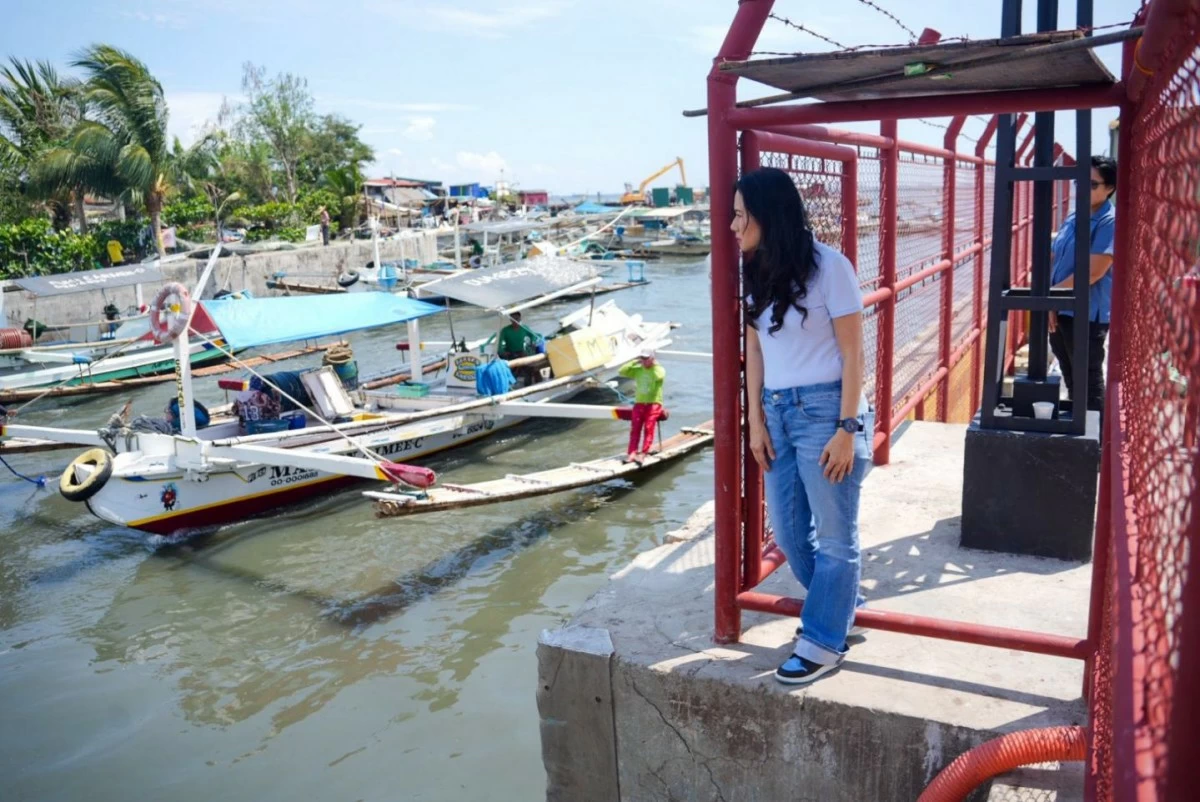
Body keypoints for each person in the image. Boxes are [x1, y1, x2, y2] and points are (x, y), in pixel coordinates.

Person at [735, 166, 873, 686]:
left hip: (826, 411)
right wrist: (755, 421)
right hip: (777, 411)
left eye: (740, 216)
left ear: (768, 216)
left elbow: (854, 351)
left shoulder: (829, 268)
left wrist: (847, 427)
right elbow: (754, 347)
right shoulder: (756, 268)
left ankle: (822, 640)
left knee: (837, 538)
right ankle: (841, 607)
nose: (732, 226)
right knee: (792, 534)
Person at [1048, 156, 1117, 423]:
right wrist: (1052, 301)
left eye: (1092, 184)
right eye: (1079, 182)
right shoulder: (1075, 216)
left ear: (1109, 188)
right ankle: (1079, 437)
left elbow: (1094, 271)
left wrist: (1051, 297)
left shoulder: (1108, 221)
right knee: (1070, 375)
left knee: (1087, 379)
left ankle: (1095, 446)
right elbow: (1057, 259)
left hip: (1086, 314)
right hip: (1062, 307)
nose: (1083, 189)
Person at [618, 350, 667, 464]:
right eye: (643, 359)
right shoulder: (638, 370)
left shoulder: (658, 369)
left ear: (652, 359)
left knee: (649, 428)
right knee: (635, 429)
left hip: (654, 403)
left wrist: (654, 364)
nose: (644, 361)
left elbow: (658, 376)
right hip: (639, 403)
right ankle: (632, 453)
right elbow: (622, 371)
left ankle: (644, 453)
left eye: (646, 359)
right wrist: (634, 361)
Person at [496, 312, 539, 386]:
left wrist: (533, 342)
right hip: (510, 352)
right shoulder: (505, 330)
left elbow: (533, 336)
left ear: (520, 319)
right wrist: (502, 351)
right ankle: (510, 383)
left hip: (521, 352)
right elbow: (499, 344)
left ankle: (528, 385)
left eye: (517, 319)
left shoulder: (524, 328)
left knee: (528, 367)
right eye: (513, 319)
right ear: (510, 320)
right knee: (511, 366)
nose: (515, 321)